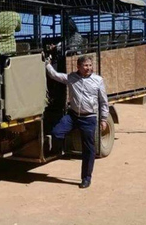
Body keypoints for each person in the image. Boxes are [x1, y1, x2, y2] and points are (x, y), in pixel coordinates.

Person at [45, 55, 108, 189]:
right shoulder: (71, 78)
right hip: (73, 116)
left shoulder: (98, 80)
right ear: (78, 66)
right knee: (56, 132)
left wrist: (103, 119)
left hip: (89, 118)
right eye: (85, 65)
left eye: (90, 65)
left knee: (88, 150)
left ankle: (86, 178)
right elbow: (54, 75)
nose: (88, 68)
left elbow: (103, 101)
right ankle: (60, 149)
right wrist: (47, 64)